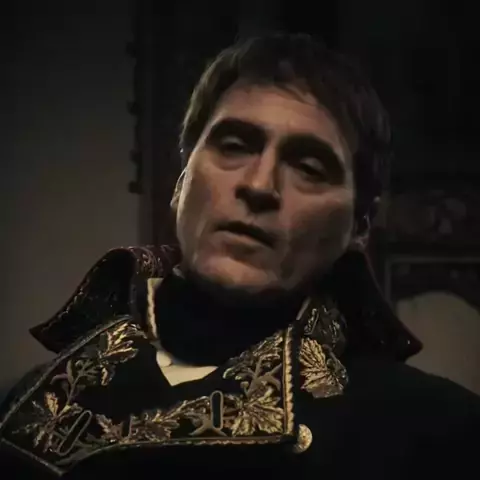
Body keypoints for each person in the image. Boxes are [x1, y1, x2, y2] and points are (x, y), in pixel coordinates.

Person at [0, 33, 479, 479]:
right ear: (180, 183)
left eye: (309, 168)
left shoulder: (437, 434)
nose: (258, 185)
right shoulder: (28, 408)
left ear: (360, 226)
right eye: (234, 146)